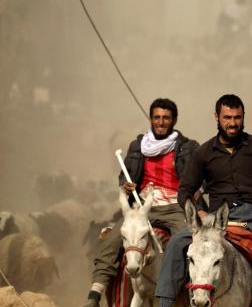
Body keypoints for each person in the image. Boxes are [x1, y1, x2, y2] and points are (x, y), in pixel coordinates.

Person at [155, 94, 252, 307]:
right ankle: (165, 304)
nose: (232, 123)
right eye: (227, 117)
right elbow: (185, 190)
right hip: (218, 220)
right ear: (217, 117)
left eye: (237, 117)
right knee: (176, 243)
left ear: (243, 117)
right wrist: (200, 212)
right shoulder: (203, 153)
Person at [81, 98, 200, 307]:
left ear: (174, 120)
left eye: (166, 118)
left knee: (191, 243)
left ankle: (192, 295)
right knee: (112, 241)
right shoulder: (137, 147)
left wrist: (198, 189)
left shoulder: (189, 148)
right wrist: (125, 185)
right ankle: (95, 294)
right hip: (142, 206)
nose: (161, 122)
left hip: (175, 206)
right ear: (151, 119)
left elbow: (201, 176)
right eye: (157, 118)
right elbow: (124, 176)